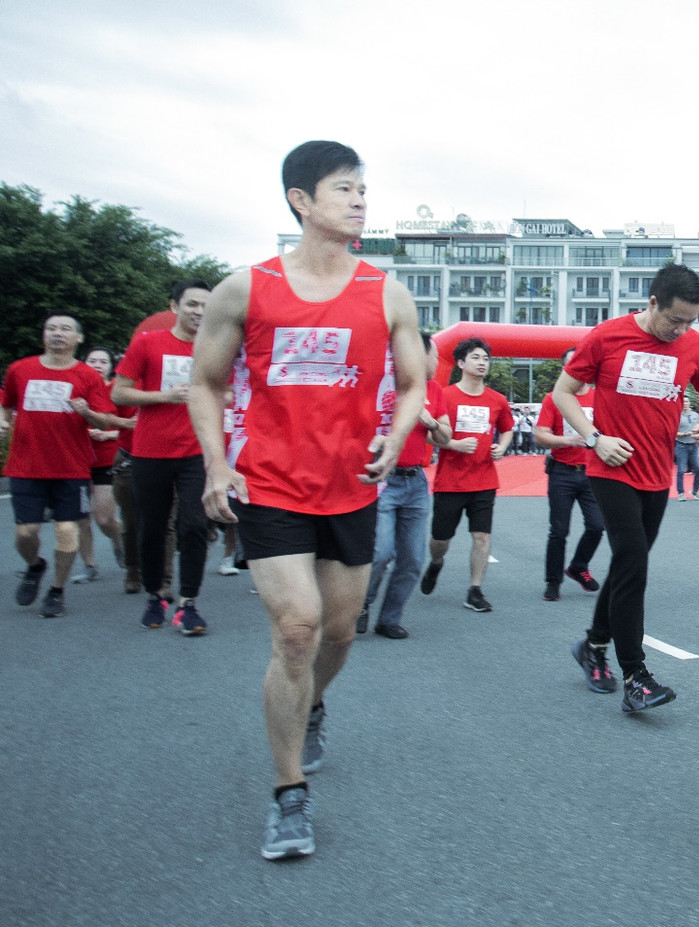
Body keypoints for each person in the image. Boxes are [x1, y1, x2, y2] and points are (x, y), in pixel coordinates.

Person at [188, 140, 426, 860]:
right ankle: (289, 794)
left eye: (363, 189)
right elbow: (206, 381)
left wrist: (398, 432)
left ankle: (312, 703)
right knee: (297, 627)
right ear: (301, 200)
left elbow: (414, 381)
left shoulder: (385, 291)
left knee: (339, 631)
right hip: (272, 484)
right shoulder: (246, 288)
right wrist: (217, 466)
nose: (360, 201)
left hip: (351, 485)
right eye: (345, 189)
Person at [552, 262, 699, 712]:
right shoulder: (608, 336)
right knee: (633, 561)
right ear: (652, 303)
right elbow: (563, 392)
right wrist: (594, 438)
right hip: (610, 468)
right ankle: (635, 676)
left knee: (630, 564)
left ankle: (592, 645)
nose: (681, 329)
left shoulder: (694, 345)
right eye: (674, 320)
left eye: (690, 321)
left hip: (656, 474)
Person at [113, 279, 215, 635]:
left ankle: (188, 603)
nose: (199, 312)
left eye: (206, 305)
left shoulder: (217, 349)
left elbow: (231, 392)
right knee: (152, 527)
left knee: (195, 525)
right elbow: (120, 393)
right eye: (192, 305)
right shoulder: (147, 343)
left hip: (197, 450)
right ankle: (155, 594)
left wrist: (218, 399)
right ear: (174, 307)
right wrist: (163, 396)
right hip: (150, 450)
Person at [1, 315, 117, 618]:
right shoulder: (20, 369)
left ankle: (56, 590)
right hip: (26, 466)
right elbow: (6, 402)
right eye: (51, 328)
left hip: (71, 468)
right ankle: (35, 565)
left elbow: (105, 418)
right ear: (43, 335)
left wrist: (87, 412)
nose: (57, 333)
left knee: (67, 530)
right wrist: (2, 421)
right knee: (26, 534)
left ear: (78, 338)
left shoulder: (87, 376)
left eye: (65, 329)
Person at [357, 333, 447, 638]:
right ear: (417, 355)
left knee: (412, 558)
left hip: (416, 483)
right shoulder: (380, 385)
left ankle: (389, 618)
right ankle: (362, 604)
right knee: (381, 552)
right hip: (383, 481)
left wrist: (430, 421)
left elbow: (445, 436)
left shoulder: (434, 390)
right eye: (435, 355)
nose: (437, 361)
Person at [420, 337, 514, 613]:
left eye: (485, 358)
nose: (482, 363)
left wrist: (503, 447)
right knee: (440, 540)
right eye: (476, 358)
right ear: (461, 363)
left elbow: (507, 428)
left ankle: (475, 590)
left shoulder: (497, 400)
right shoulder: (445, 395)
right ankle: (436, 563)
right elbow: (427, 435)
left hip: (484, 480)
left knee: (482, 537)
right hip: (450, 481)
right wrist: (453, 445)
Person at [533, 347, 605, 603]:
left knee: (598, 525)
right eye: (570, 365)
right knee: (559, 531)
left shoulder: (599, 398)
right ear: (565, 370)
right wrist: (568, 440)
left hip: (593, 473)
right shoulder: (553, 398)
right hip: (562, 473)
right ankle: (553, 582)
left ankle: (578, 565)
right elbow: (540, 435)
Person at [75, 346, 131, 583]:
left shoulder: (117, 390)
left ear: (111, 367)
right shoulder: (76, 389)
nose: (97, 365)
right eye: (92, 361)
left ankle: (121, 543)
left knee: (104, 518)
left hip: (107, 460)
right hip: (76, 461)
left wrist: (109, 435)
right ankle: (89, 565)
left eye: (103, 362)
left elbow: (133, 424)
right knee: (79, 517)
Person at [674, 396, 699, 500]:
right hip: (681, 445)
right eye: (683, 401)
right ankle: (681, 493)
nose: (685, 403)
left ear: (689, 403)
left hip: (694, 445)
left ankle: (695, 491)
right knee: (681, 470)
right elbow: (673, 432)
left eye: (687, 401)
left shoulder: (696, 415)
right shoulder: (677, 416)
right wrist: (684, 434)